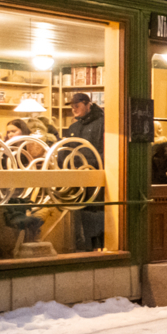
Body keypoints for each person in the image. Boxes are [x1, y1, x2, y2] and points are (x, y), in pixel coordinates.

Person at [64, 92, 105, 251]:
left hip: (95, 178)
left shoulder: (103, 124)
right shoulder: (73, 127)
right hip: (78, 179)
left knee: (94, 214)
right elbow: (67, 150)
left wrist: (89, 164)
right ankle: (85, 248)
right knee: (81, 215)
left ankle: (96, 248)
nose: (74, 110)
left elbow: (105, 151)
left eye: (77, 106)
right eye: (72, 107)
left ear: (88, 104)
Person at [151, 121, 167, 185]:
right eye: (159, 128)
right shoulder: (164, 143)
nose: (161, 130)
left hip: (149, 178)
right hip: (161, 178)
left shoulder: (146, 144)